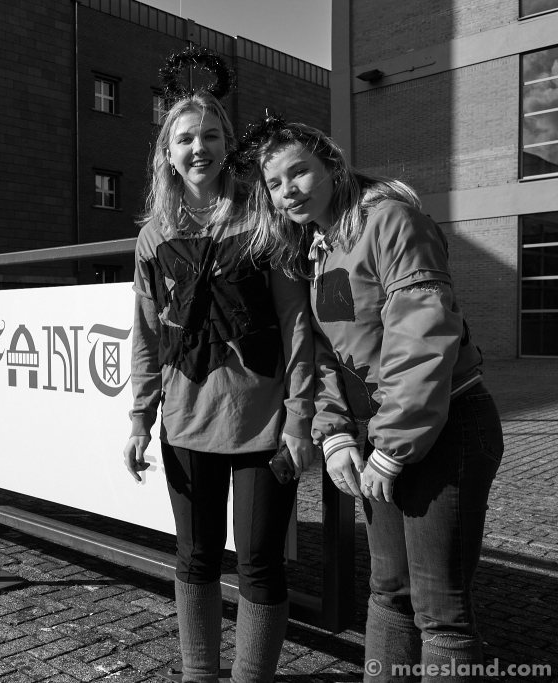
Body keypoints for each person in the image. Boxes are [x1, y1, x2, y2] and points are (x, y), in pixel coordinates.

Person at [241, 114, 504, 682]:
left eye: (298, 173)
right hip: (386, 435)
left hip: (448, 427)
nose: (288, 191)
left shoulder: (390, 221)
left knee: (441, 612)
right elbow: (329, 352)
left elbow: (423, 334)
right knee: (389, 591)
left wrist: (390, 448)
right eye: (275, 184)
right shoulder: (319, 248)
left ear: (331, 164)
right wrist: (336, 433)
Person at [123, 47, 316, 683]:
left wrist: (300, 418)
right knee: (196, 559)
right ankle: (198, 675)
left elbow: (296, 322)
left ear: (227, 144)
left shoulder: (264, 215)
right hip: (185, 422)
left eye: (209, 135)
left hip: (265, 425)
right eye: (184, 139)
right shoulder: (154, 235)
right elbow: (147, 333)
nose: (197, 148)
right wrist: (139, 418)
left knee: (259, 564)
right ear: (167, 153)